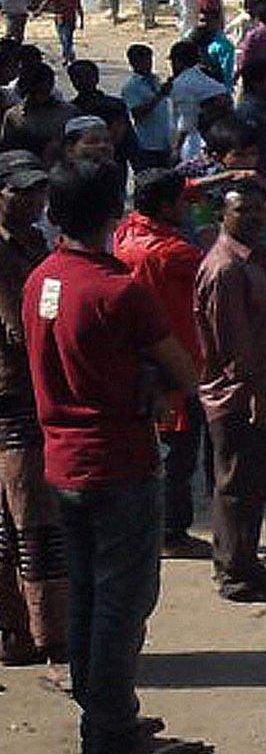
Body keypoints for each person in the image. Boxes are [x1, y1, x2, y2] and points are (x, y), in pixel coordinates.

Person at [25, 159, 205, 754]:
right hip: (118, 463)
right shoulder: (118, 290)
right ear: (112, 214)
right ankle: (111, 730)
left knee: (87, 595)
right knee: (123, 605)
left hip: (62, 460)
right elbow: (184, 369)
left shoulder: (42, 278)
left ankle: (102, 718)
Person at [194, 180, 266, 602]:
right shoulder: (225, 268)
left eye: (260, 210)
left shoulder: (253, 258)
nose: (255, 218)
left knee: (252, 484)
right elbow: (233, 349)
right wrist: (256, 397)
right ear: (223, 215)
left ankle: (246, 561)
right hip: (242, 399)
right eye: (243, 211)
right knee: (238, 486)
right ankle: (235, 574)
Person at [109, 170, 210, 562]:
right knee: (179, 453)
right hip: (176, 360)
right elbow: (216, 258)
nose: (188, 204)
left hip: (136, 357)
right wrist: (206, 216)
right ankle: (171, 532)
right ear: (168, 207)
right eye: (183, 201)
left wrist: (209, 183)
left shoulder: (126, 233)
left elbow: (174, 191)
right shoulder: (175, 255)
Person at [0, 152, 61, 664]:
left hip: (31, 391)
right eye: (20, 190)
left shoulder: (35, 242)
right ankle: (25, 631)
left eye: (37, 190)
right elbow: (21, 327)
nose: (32, 200)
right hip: (11, 396)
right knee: (23, 518)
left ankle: (37, 629)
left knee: (34, 520)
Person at [122, 45, 174, 172]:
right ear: (133, 62)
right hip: (147, 143)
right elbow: (137, 113)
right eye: (143, 60)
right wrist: (159, 96)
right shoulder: (131, 87)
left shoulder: (155, 80)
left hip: (166, 141)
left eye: (149, 60)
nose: (148, 64)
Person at [35, 0, 82, 65]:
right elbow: (79, 7)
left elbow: (46, 2)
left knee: (63, 38)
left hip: (60, 17)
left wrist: (38, 12)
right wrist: (82, 20)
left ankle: (67, 56)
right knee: (68, 38)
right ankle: (68, 55)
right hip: (71, 17)